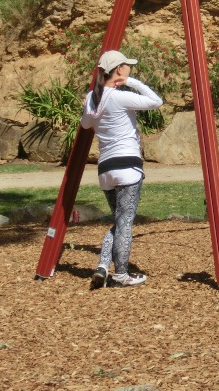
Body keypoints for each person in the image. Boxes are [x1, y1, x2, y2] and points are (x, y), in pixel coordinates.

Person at [80, 50, 163, 289]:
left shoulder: (91, 98)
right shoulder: (119, 96)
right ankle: (121, 274)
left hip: (105, 170)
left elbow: (85, 123)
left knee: (120, 221)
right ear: (119, 70)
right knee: (125, 222)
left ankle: (103, 265)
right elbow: (156, 101)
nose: (130, 70)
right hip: (127, 166)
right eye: (127, 67)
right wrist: (130, 83)